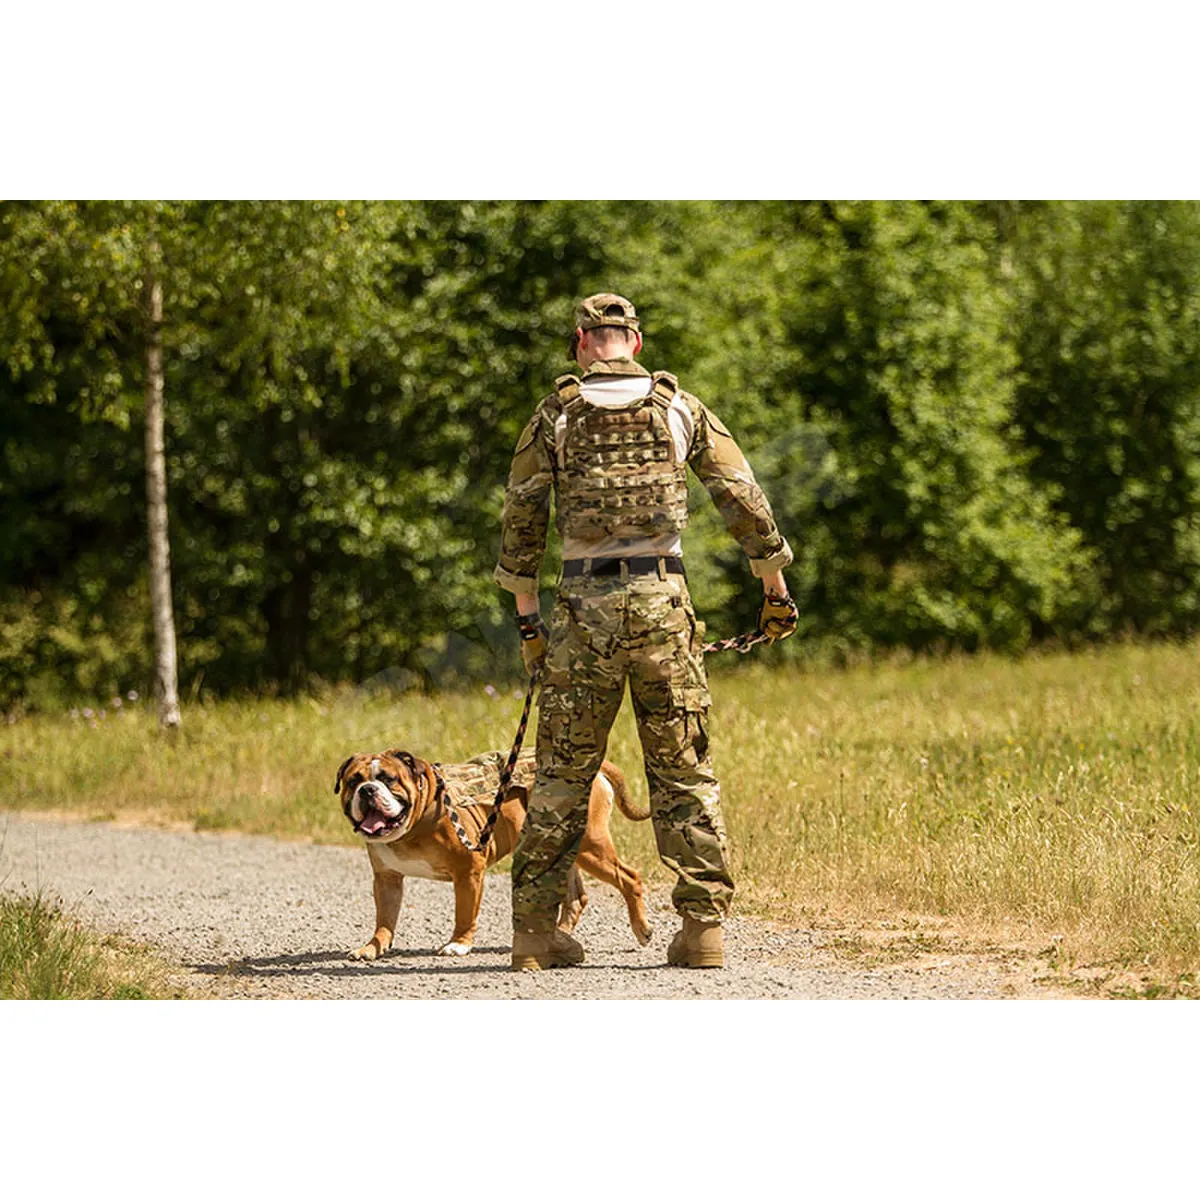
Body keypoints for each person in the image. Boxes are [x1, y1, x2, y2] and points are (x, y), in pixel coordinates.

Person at [494, 293, 797, 971]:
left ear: (580, 342)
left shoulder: (554, 414)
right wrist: (774, 588)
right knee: (683, 769)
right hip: (664, 602)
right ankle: (702, 931)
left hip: (580, 608)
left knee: (564, 776)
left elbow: (521, 523)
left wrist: (528, 622)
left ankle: (535, 936)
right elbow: (741, 496)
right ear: (634, 339)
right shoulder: (681, 406)